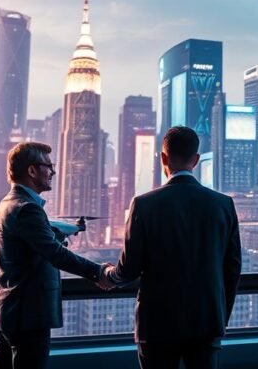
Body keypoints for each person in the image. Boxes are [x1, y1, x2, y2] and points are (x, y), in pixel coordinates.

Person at [103, 126, 242, 369]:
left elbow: (129, 269)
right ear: (196, 160)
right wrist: (219, 317)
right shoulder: (223, 204)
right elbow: (233, 269)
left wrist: (107, 274)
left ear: (163, 158)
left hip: (157, 324)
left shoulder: (144, 204)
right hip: (207, 322)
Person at [0, 141, 113, 369]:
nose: (53, 172)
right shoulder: (27, 208)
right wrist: (98, 272)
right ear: (32, 170)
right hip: (28, 315)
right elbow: (55, 254)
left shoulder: (7, 204)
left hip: (7, 311)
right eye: (48, 166)